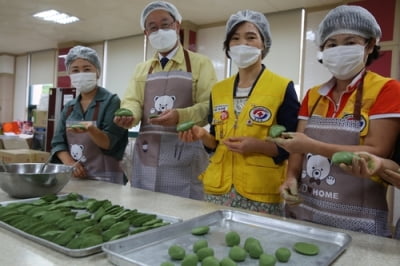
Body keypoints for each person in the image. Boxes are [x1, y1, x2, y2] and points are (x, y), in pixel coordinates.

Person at [273, 5, 400, 236]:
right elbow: (297, 149)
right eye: (332, 44)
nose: (339, 50)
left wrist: (312, 146)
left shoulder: (387, 89)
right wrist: (290, 177)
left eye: (350, 42)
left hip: (358, 219)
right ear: (322, 49)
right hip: (307, 210)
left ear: (369, 45)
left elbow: (378, 150)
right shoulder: (313, 95)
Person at [179, 10, 300, 215]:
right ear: (228, 47)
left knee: (256, 245)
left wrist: (258, 146)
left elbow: (293, 146)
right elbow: (216, 145)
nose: (242, 43)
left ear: (264, 44)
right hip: (218, 191)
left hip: (260, 192)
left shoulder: (282, 87)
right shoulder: (219, 90)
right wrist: (203, 136)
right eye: (235, 38)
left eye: (251, 37)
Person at [113, 1, 217, 199]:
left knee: (184, 213)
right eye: (152, 27)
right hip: (147, 152)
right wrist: (130, 116)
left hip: (184, 151)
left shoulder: (200, 64)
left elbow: (208, 107)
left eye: (165, 24)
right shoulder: (141, 69)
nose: (159, 30)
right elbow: (132, 101)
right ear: (146, 34)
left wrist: (180, 115)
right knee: (145, 210)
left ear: (177, 25)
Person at [51, 45, 129, 185]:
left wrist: (90, 129)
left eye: (87, 69)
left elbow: (109, 143)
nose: (81, 74)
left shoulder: (111, 101)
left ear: (97, 72)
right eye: (75, 70)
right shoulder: (69, 107)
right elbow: (58, 143)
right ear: (70, 75)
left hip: (107, 178)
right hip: (76, 176)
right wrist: (70, 163)